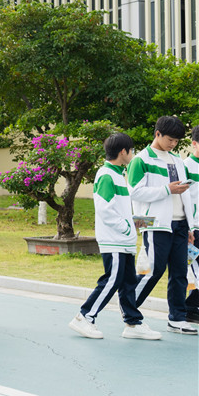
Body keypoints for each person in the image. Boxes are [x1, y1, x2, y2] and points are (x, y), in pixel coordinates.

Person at [69, 133, 161, 340]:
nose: (133, 154)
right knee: (112, 280)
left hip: (123, 240)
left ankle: (132, 323)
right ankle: (84, 317)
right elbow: (105, 209)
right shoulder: (106, 175)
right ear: (123, 152)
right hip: (115, 239)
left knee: (128, 282)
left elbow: (121, 210)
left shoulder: (119, 174)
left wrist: (139, 222)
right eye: (132, 150)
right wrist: (127, 228)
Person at [129, 116, 197, 335]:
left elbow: (185, 195)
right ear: (157, 133)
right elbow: (135, 192)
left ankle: (177, 318)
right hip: (155, 224)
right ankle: (128, 309)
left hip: (179, 224)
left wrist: (190, 227)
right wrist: (167, 190)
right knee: (154, 270)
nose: (173, 144)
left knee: (179, 272)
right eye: (170, 139)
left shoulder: (177, 160)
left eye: (177, 141)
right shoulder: (141, 159)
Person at [185, 126, 199, 324]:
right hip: (194, 228)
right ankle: (187, 309)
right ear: (194, 144)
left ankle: (190, 308)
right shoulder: (185, 166)